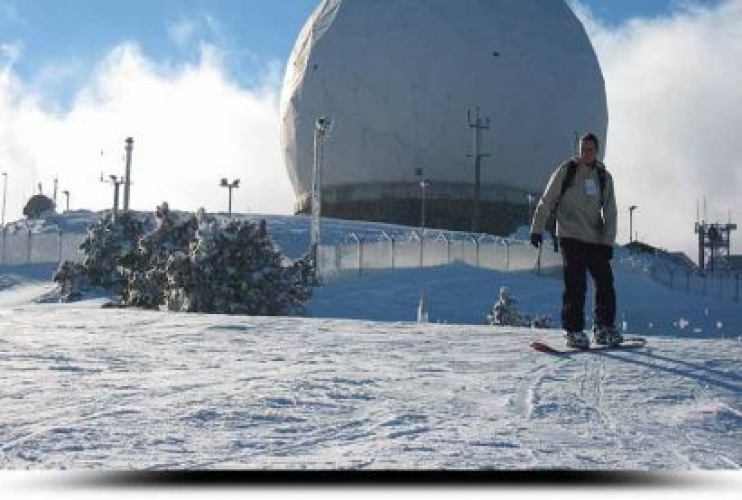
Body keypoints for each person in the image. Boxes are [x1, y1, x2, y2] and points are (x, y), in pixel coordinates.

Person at [529, 133, 620, 349]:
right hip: (570, 235)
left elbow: (611, 211)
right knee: (575, 284)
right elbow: (547, 199)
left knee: (605, 282)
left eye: (590, 149)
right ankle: (574, 331)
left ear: (596, 151)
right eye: (583, 149)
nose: (586, 153)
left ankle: (603, 328)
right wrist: (537, 228)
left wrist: (607, 242)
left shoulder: (604, 177)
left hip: (595, 239)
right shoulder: (567, 170)